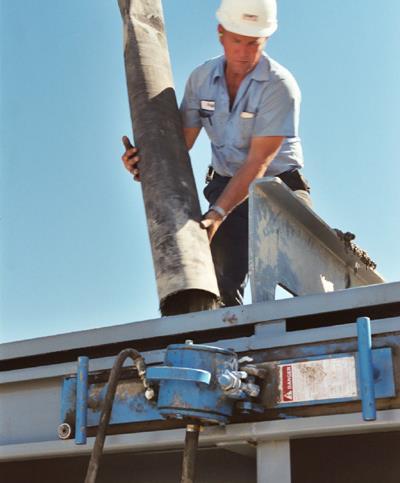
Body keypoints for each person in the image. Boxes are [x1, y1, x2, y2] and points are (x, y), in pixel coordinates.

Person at [121, 0, 311, 307]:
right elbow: (180, 145)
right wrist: (146, 164)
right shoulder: (201, 80)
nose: (245, 53)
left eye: (254, 43)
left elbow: (258, 162)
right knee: (219, 273)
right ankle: (231, 344)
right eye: (237, 40)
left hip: (280, 185)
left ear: (266, 39)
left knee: (303, 272)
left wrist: (217, 214)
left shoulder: (280, 86)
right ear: (221, 33)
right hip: (226, 183)